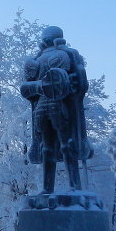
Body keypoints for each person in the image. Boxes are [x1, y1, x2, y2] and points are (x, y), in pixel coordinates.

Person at [20, 25, 92, 193]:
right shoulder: (65, 55)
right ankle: (69, 187)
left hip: (47, 108)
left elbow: (77, 83)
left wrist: (42, 86)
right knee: (62, 145)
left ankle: (57, 188)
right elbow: (80, 83)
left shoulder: (39, 60)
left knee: (54, 146)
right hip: (56, 107)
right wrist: (44, 86)